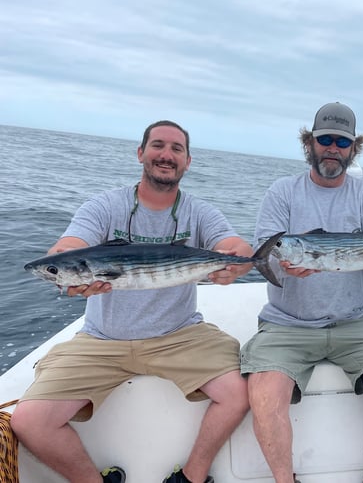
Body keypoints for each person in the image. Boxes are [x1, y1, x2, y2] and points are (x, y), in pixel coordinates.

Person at [11, 120, 252, 483]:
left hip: (180, 334)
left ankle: (191, 477)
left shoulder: (199, 212)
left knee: (239, 393)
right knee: (29, 422)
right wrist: (64, 266)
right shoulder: (105, 205)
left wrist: (234, 263)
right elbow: (69, 247)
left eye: (176, 149)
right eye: (157, 145)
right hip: (103, 339)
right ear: (140, 153)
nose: (166, 155)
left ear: (188, 161)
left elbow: (237, 247)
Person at [240, 102, 363, 483]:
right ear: (310, 143)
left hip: (355, 321)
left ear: (353, 149)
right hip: (288, 323)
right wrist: (285, 264)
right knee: (264, 396)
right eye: (325, 140)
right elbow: (268, 248)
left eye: (342, 142)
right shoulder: (282, 191)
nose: (333, 148)